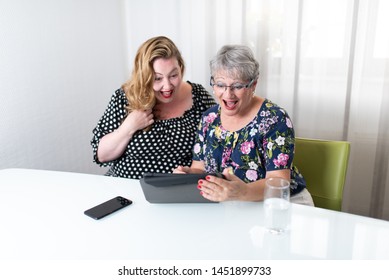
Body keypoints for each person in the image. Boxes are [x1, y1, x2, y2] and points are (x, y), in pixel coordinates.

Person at [174, 44, 314, 206]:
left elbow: (279, 182)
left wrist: (243, 192)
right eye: (220, 85)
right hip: (234, 203)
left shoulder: (274, 118)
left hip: (283, 204)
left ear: (253, 84)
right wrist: (188, 174)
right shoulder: (209, 118)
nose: (228, 94)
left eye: (238, 86)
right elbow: (200, 168)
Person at [91, 36, 216, 179]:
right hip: (125, 188)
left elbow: (219, 144)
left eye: (173, 75)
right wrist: (128, 127)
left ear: (181, 68)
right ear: (144, 77)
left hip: (177, 191)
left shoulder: (198, 97)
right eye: (157, 78)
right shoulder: (125, 98)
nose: (167, 86)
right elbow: (102, 156)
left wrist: (193, 172)